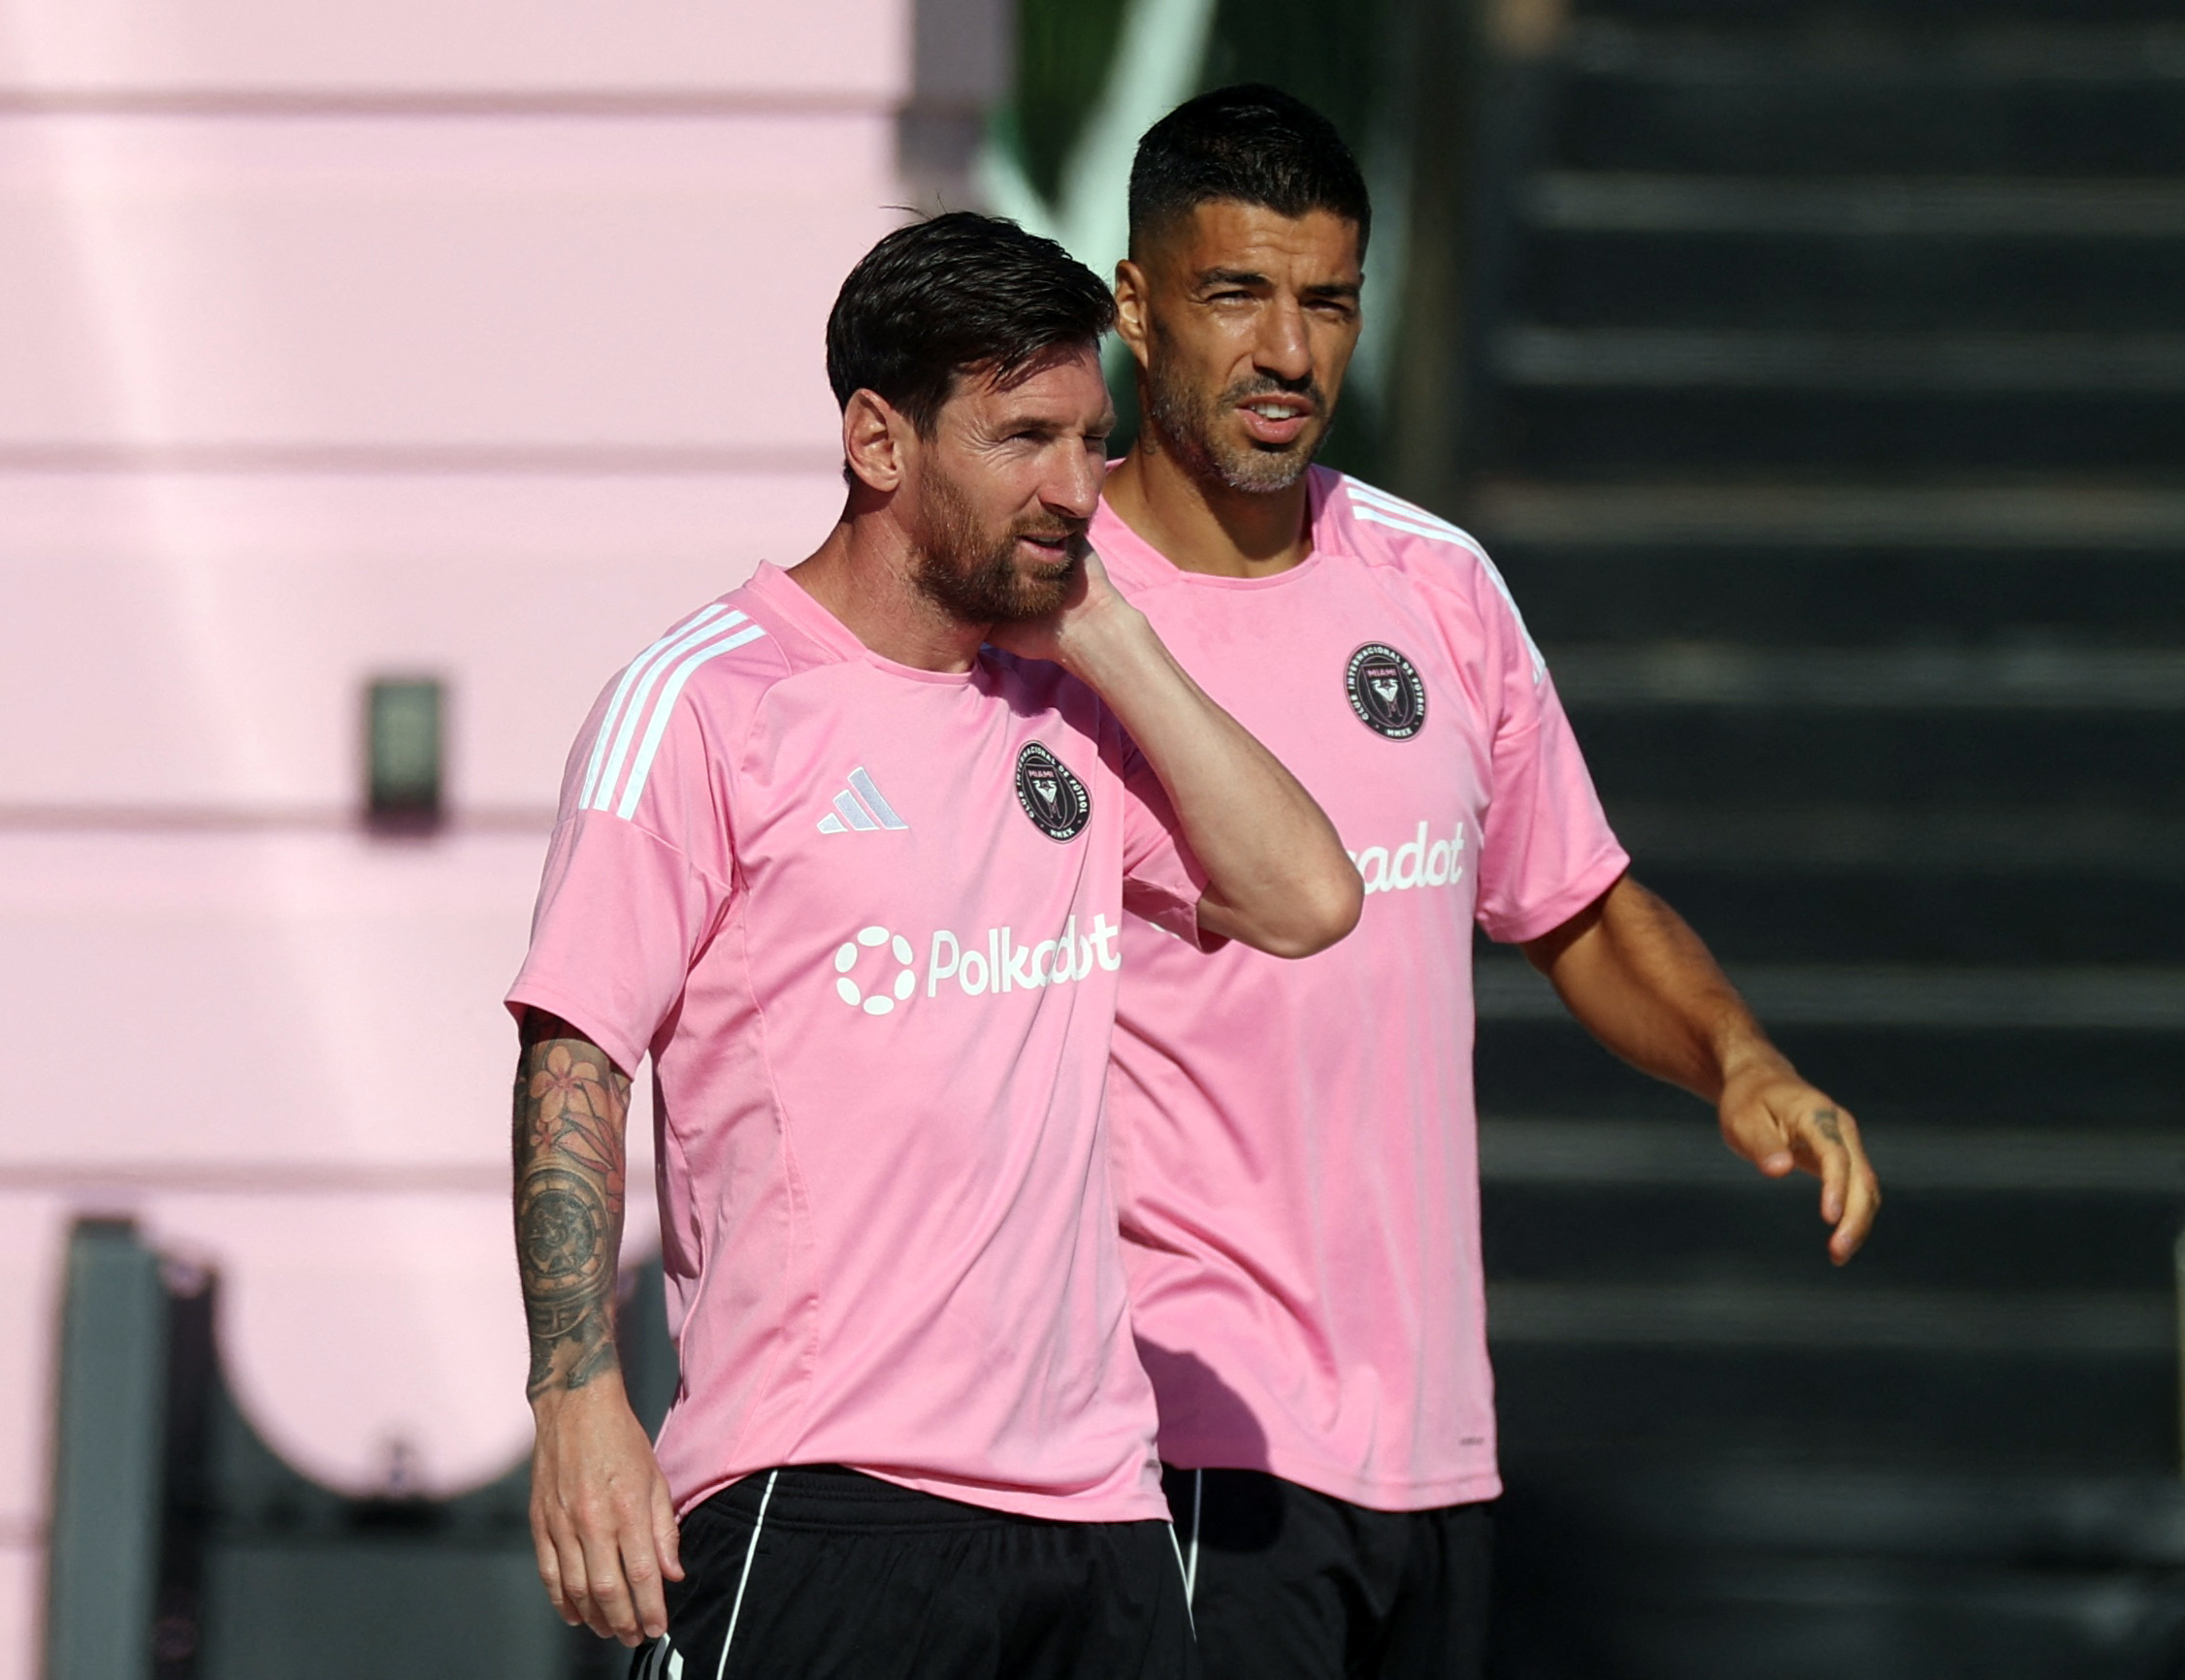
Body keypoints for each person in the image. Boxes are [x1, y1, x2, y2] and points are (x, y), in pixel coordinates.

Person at [1091, 85, 1884, 1680]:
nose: (1290, 353)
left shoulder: (1440, 585)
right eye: (1237, 295)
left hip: (1434, 1446)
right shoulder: (1048, 625)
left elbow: (1573, 905)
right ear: (1136, 306)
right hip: (1175, 1439)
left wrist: (1739, 1057)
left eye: (1328, 300)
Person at [504, 210, 1362, 1679]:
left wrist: (1108, 638)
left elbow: (1306, 900)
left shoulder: (1065, 710)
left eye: (1091, 440)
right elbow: (575, 1054)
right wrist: (579, 1396)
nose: (1076, 488)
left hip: (1100, 1512)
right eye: (1022, 437)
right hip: (824, 1498)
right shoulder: (706, 704)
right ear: (879, 444)